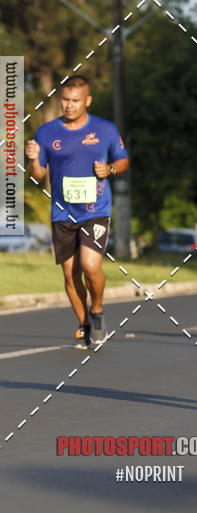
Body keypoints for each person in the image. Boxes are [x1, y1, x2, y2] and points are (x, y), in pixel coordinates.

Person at [25, 75, 129, 348]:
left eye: (75, 101)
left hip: (95, 209)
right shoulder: (46, 132)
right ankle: (84, 324)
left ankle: (97, 310)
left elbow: (123, 160)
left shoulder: (105, 129)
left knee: (90, 265)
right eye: (65, 100)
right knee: (70, 274)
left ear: (87, 101)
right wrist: (34, 159)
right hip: (62, 212)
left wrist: (109, 170)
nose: (69, 106)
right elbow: (37, 178)